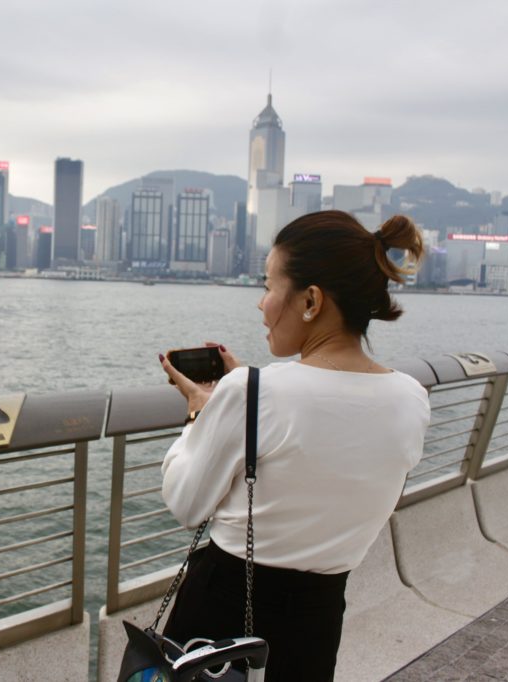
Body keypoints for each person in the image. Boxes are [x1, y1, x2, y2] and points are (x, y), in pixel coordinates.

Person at [158, 210, 431, 681]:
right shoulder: (412, 398)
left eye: (267, 286)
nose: (261, 303)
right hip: (317, 624)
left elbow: (185, 503)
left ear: (310, 300)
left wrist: (205, 408)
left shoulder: (251, 392)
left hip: (219, 620)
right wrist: (245, 394)